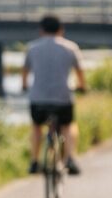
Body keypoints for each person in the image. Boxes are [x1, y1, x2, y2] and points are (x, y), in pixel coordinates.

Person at [21, 15, 87, 176]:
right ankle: (70, 158)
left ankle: (34, 161)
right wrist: (82, 87)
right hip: (63, 97)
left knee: (37, 127)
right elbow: (80, 72)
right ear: (61, 30)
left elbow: (24, 72)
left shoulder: (32, 48)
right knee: (68, 125)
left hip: (38, 99)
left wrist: (24, 86)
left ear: (41, 30)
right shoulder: (70, 47)